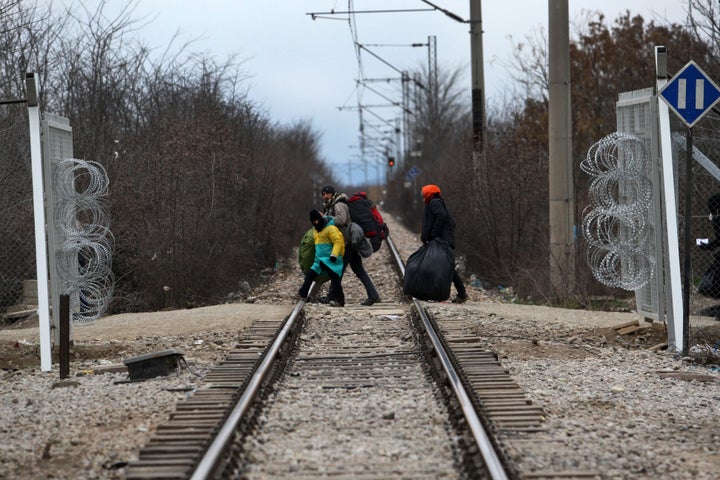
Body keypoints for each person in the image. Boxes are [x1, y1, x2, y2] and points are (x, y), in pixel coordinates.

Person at [321, 184, 382, 306]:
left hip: (347, 242)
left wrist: (326, 218)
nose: (324, 196)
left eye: (326, 194)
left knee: (338, 271)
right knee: (359, 271)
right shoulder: (333, 204)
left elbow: (341, 220)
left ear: (332, 194)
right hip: (349, 242)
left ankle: (336, 298)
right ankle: (373, 295)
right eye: (323, 194)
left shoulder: (338, 204)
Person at [420, 184, 468, 303]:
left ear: (429, 193)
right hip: (442, 240)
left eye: (424, 193)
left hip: (441, 241)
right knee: (446, 266)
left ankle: (439, 294)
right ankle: (460, 293)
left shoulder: (434, 203)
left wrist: (434, 235)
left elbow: (441, 216)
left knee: (440, 266)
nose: (422, 195)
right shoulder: (436, 202)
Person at [298, 209, 346, 307]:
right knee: (310, 275)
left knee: (335, 279)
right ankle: (303, 293)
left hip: (331, 259)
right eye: (313, 221)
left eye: (317, 220)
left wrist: (334, 255)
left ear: (320, 219)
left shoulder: (331, 228)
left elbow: (338, 242)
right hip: (319, 260)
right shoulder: (316, 231)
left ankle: (340, 300)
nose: (316, 223)